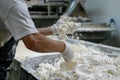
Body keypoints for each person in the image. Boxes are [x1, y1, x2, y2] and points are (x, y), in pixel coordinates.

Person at [0, 0, 74, 80]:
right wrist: (65, 48)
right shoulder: (15, 4)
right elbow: (33, 41)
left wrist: (53, 29)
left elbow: (25, 32)